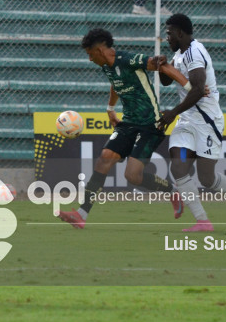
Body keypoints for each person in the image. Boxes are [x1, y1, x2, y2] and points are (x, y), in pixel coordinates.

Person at [57, 28, 185, 228]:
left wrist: (190, 87)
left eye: (90, 54)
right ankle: (81, 214)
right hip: (128, 123)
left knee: (132, 176)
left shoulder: (128, 60)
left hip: (151, 124)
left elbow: (164, 66)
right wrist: (110, 109)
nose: (90, 59)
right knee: (104, 158)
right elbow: (116, 83)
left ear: (99, 50)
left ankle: (173, 192)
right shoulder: (106, 66)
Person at [158, 14, 226, 232]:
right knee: (178, 166)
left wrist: (172, 113)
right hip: (186, 121)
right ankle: (202, 221)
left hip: (207, 122)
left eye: (169, 33)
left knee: (207, 178)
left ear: (180, 33)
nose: (167, 37)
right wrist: (163, 66)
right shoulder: (180, 54)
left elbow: (199, 90)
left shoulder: (195, 52)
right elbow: (166, 82)